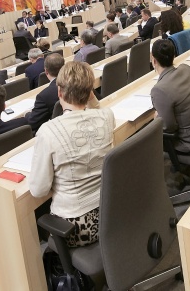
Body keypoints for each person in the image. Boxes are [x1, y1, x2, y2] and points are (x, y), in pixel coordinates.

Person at [30, 62, 115, 247]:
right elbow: (97, 110)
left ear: (59, 92)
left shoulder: (48, 131)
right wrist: (90, 96)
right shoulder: (107, 117)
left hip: (76, 227)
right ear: (91, 90)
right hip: (111, 211)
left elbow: (38, 190)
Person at [150, 40, 190, 153]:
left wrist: (156, 117)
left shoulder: (159, 90)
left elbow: (168, 127)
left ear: (154, 61)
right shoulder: (186, 69)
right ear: (174, 56)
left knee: (147, 136)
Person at [24, 53, 64, 133]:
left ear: (46, 71)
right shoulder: (74, 83)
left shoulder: (44, 96)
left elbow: (33, 122)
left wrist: (27, 114)